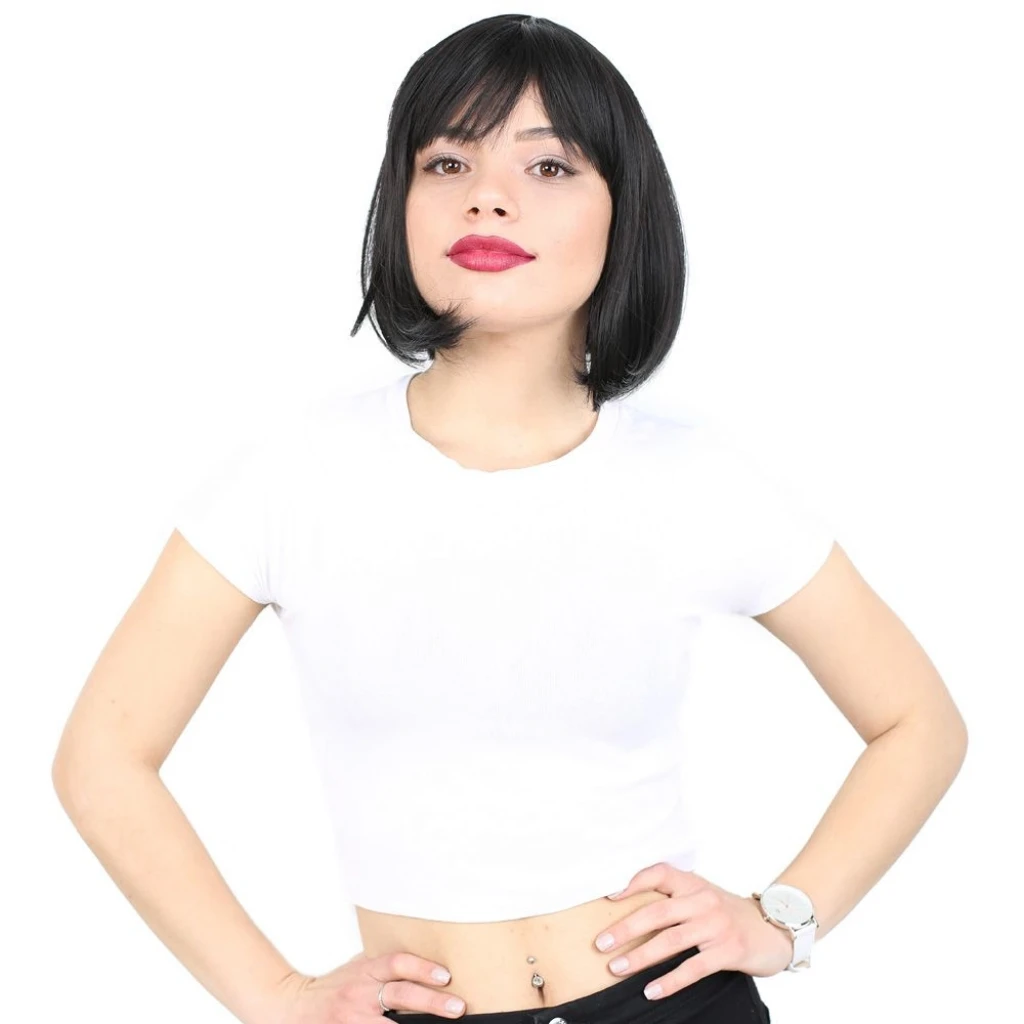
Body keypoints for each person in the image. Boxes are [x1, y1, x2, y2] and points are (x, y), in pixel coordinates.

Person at [51, 13, 968, 1024]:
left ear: (624, 214)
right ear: (400, 204)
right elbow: (102, 759)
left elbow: (917, 724)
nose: (487, 196)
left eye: (549, 166)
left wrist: (781, 919)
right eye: (447, 162)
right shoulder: (289, 476)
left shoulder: (699, 480)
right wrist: (275, 996)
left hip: (674, 1004)